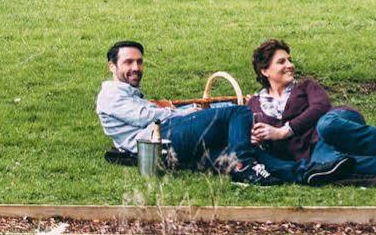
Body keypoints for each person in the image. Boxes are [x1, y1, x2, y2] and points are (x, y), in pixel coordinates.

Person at [246, 38, 376, 184]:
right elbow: (265, 145)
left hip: (336, 123)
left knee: (327, 126)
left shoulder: (306, 86)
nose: (290, 65)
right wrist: (260, 139)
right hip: (312, 149)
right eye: (282, 62)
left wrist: (284, 131)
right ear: (265, 71)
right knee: (334, 165)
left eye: (290, 60)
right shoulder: (254, 104)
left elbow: (320, 108)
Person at [94, 40, 285, 185]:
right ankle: (244, 166)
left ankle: (302, 172)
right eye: (128, 62)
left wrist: (183, 111)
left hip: (162, 140)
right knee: (239, 113)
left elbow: (150, 112)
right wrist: (182, 113)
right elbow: (145, 116)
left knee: (232, 148)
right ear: (112, 66)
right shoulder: (110, 95)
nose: (136, 68)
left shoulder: (126, 93)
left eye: (139, 62)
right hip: (158, 143)